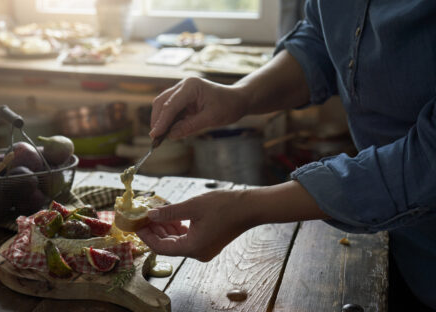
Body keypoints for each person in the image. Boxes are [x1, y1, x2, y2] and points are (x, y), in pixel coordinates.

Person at [136, 0, 436, 310]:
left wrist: (247, 207)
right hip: (393, 238)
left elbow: (428, 162)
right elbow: (321, 43)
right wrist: (240, 96)